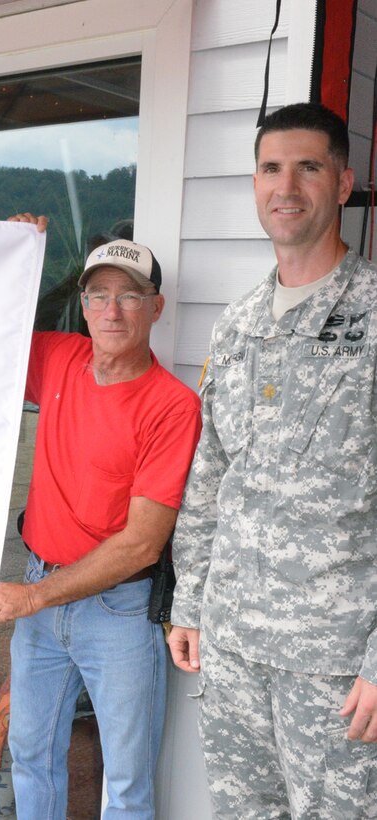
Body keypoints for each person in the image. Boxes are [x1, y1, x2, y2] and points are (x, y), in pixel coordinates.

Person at [168, 101, 377, 817]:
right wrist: (189, 602)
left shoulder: (373, 316)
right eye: (269, 168)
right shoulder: (238, 323)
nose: (284, 186)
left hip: (334, 661)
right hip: (232, 645)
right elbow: (210, 476)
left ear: (342, 184)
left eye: (307, 167)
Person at [0, 221, 202, 819]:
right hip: (40, 588)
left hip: (120, 611)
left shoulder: (173, 406)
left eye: (130, 295)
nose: (113, 309)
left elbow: (140, 545)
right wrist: (18, 255)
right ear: (81, 306)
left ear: (154, 307)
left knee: (125, 781)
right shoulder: (58, 357)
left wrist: (34, 598)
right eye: (99, 294)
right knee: (31, 755)